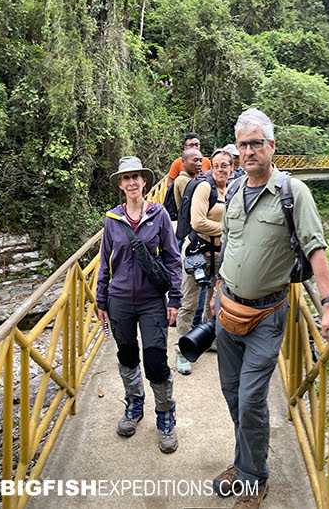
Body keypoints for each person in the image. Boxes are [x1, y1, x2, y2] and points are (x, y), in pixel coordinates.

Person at [210, 109, 329, 509]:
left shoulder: (293, 192)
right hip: (228, 310)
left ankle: (254, 479)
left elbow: (315, 248)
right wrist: (219, 287)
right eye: (243, 145)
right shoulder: (233, 189)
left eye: (256, 143)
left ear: (271, 146)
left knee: (251, 398)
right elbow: (231, 243)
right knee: (232, 394)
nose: (249, 151)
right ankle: (243, 462)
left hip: (267, 316)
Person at [96, 156, 185, 454]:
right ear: (120, 185)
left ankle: (165, 415)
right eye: (126, 178)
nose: (132, 182)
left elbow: (173, 258)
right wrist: (101, 299)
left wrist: (174, 298)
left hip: (151, 301)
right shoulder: (112, 219)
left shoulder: (158, 215)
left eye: (136, 177)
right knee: (127, 355)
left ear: (145, 181)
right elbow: (105, 263)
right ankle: (134, 405)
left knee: (156, 361)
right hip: (119, 299)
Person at [171, 146, 235, 376]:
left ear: (232, 167)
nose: (220, 169)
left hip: (221, 254)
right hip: (197, 252)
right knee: (189, 303)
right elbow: (197, 222)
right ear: (212, 167)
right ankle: (181, 349)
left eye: (224, 165)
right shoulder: (204, 188)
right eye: (216, 165)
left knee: (213, 301)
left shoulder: (233, 190)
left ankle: (204, 341)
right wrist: (227, 229)